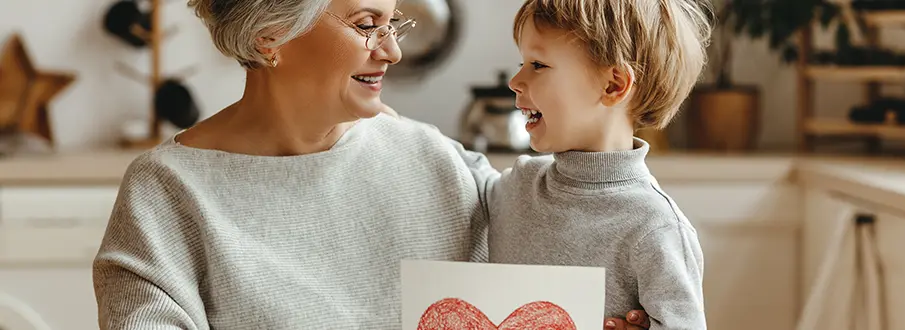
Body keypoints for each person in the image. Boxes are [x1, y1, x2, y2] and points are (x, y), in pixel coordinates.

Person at [90, 0, 651, 329]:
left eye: (393, 24)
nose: (392, 52)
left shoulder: (429, 157)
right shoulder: (167, 193)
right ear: (270, 37)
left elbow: (568, 244)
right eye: (365, 25)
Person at [483, 0, 713, 329]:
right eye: (523, 62)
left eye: (537, 65)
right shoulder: (514, 186)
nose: (515, 80)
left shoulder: (655, 228)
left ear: (613, 85)